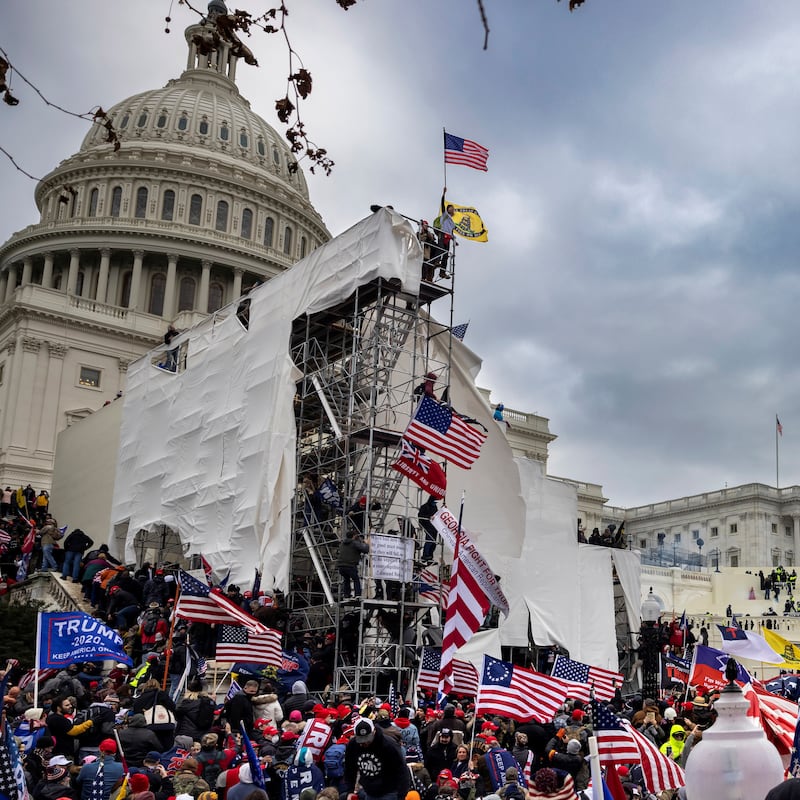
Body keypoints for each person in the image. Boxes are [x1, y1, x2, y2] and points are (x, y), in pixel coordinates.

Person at [344, 718, 408, 800]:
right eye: (361, 740)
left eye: (367, 739)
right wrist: (350, 790)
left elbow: (402, 770)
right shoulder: (352, 745)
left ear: (374, 731)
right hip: (368, 791)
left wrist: (401, 796)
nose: (365, 743)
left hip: (389, 792)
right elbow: (349, 769)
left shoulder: (389, 745)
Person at [336, 530, 369, 600]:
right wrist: (366, 543)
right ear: (353, 536)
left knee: (346, 579)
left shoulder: (342, 543)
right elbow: (365, 550)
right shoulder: (354, 543)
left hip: (341, 565)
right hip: (350, 565)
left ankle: (346, 595)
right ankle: (357, 595)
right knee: (356, 579)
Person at [434, 189, 456, 278]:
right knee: (441, 248)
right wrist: (443, 194)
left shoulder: (452, 223)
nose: (452, 209)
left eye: (453, 208)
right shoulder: (445, 214)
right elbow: (442, 204)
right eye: (451, 207)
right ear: (447, 209)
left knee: (446, 254)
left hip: (448, 237)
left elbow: (451, 232)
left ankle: (442, 272)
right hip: (442, 234)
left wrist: (454, 240)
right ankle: (436, 261)